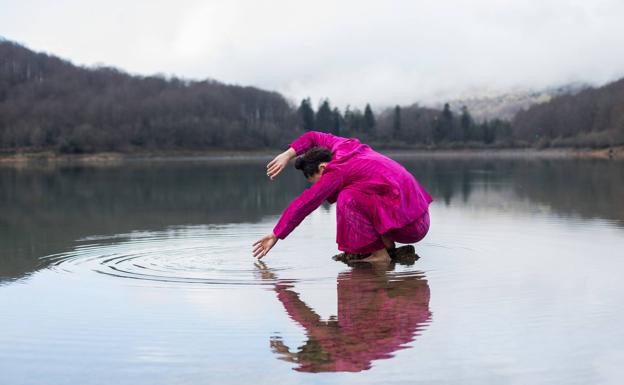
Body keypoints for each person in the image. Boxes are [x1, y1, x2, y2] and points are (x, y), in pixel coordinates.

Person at [252, 131, 432, 262]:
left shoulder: (335, 172)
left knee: (347, 198)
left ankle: (380, 256)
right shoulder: (344, 146)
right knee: (363, 193)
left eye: (317, 181)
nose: (321, 187)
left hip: (410, 228)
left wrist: (276, 234)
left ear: (322, 168)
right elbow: (314, 136)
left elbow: (304, 204)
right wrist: (289, 154)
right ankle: (387, 245)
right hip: (420, 215)